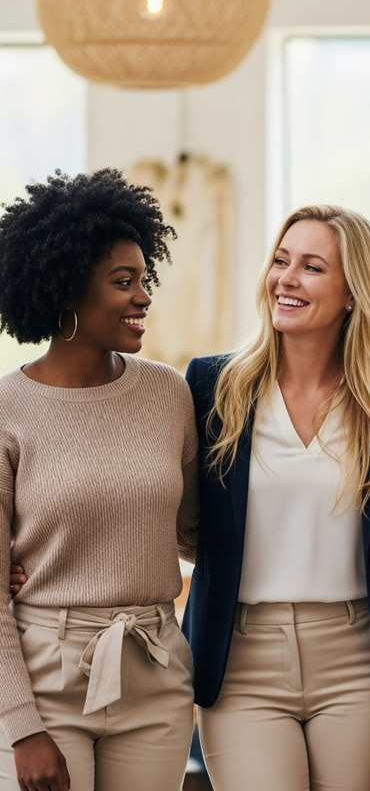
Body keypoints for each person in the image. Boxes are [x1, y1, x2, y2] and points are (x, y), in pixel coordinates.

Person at [180, 204, 370, 790]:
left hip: (358, 656)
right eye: (281, 261)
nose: (286, 279)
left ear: (351, 294)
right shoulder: (214, 384)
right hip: (241, 661)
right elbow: (177, 516)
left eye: (311, 267)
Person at [0, 169, 199, 791]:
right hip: (46, 681)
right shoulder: (7, 409)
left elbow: (194, 532)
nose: (143, 297)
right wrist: (21, 726)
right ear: (66, 290)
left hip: (155, 669)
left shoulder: (168, 392)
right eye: (123, 283)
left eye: (145, 280)